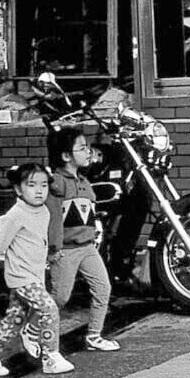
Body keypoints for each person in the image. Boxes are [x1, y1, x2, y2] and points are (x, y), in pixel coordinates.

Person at [0, 163, 76, 376]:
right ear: (18, 189)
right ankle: (50, 356)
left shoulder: (43, 211)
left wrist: (50, 255)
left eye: (43, 185)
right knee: (49, 308)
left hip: (35, 275)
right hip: (21, 277)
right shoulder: (16, 214)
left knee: (14, 319)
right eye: (32, 185)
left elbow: (38, 240)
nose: (39, 190)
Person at [38, 127, 120, 352]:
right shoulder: (56, 182)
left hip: (87, 248)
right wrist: (53, 248)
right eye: (82, 148)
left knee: (103, 288)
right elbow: (54, 218)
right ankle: (35, 331)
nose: (88, 152)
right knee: (60, 297)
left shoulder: (84, 181)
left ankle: (94, 335)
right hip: (65, 249)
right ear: (66, 156)